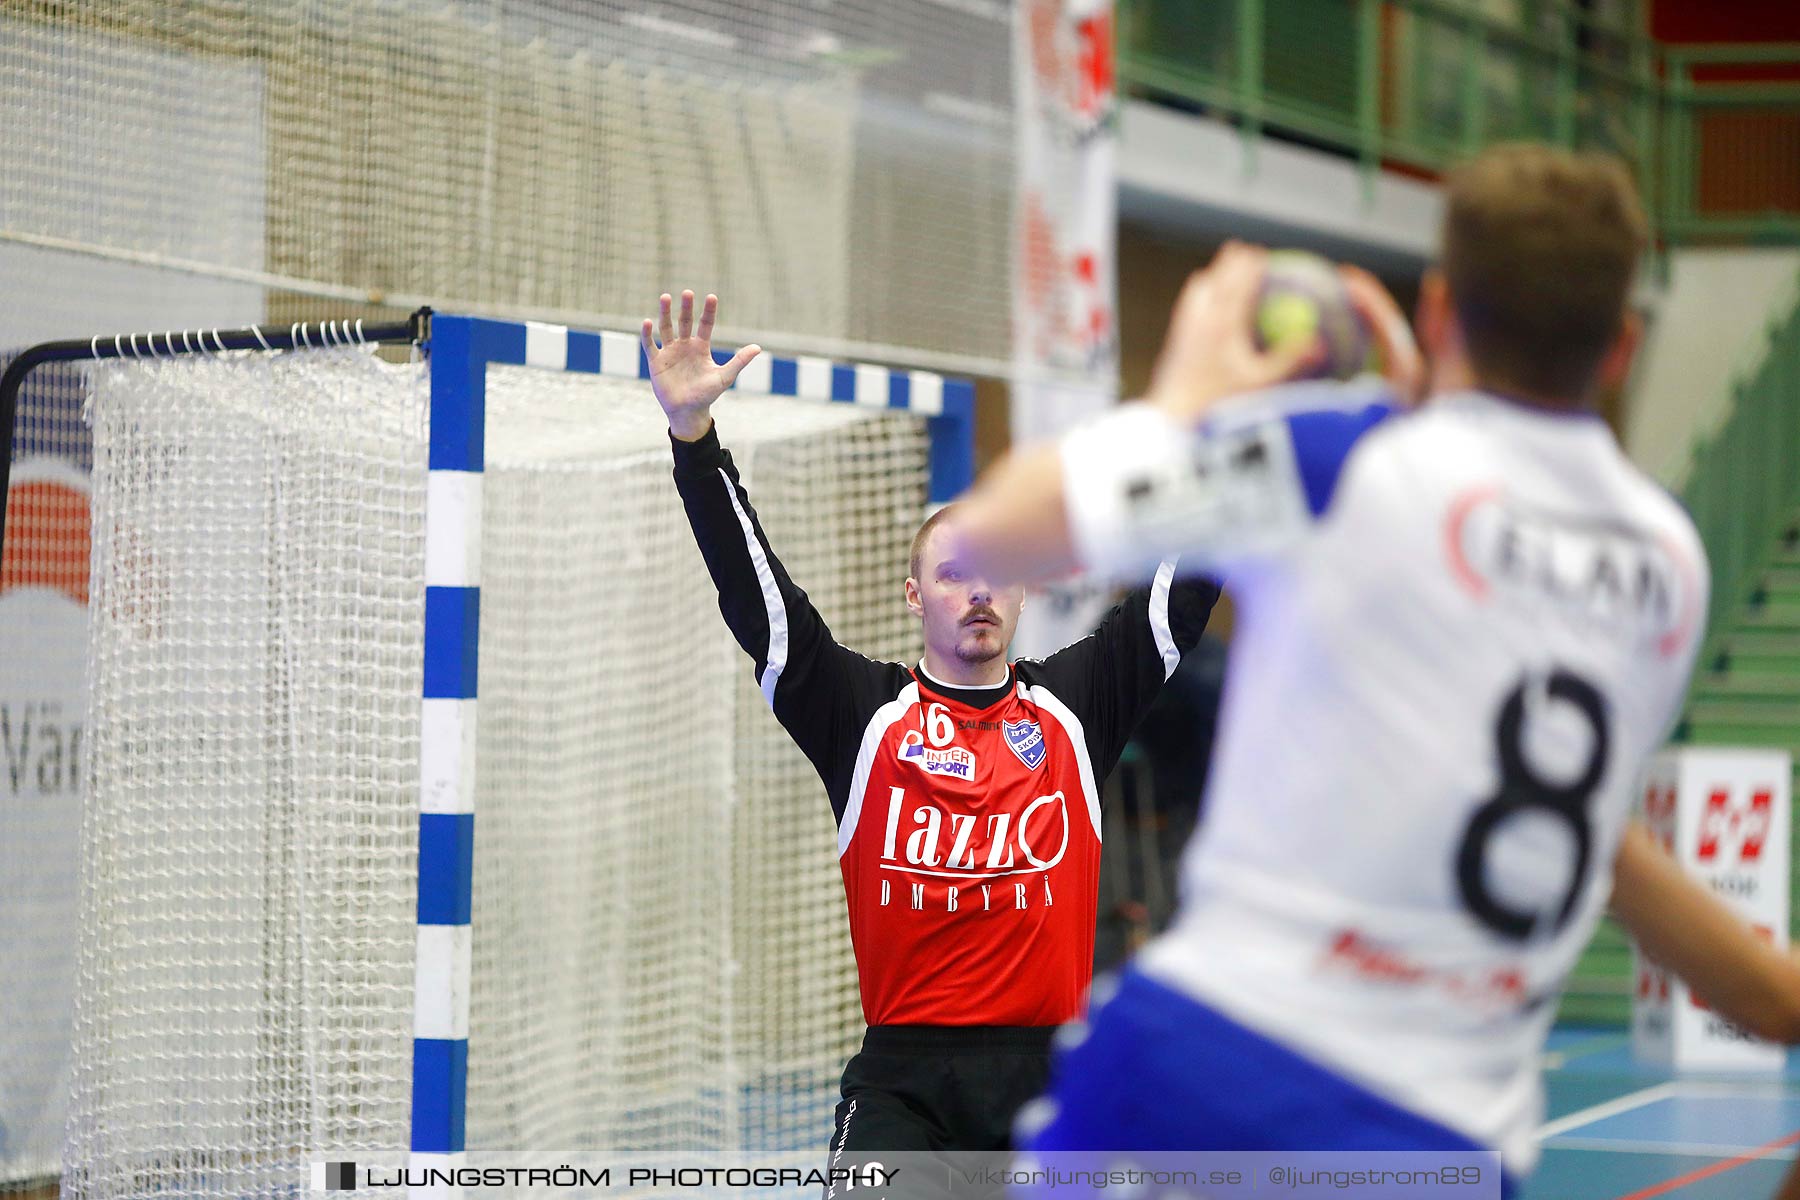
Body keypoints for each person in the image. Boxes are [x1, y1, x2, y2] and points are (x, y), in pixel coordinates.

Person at [948, 144, 1800, 1194]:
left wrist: (1183, 398)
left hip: (1206, 1063)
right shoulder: (1671, 569)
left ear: (1439, 309)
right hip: (1441, 1146)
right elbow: (1570, 825)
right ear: (1621, 346)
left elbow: (985, 540)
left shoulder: (1348, 458)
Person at [640, 290, 1222, 1173]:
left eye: (994, 572)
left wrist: (1224, 450)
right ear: (917, 596)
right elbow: (760, 604)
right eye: (955, 574)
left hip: (1052, 1080)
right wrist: (694, 441)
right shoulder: (861, 718)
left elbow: (1184, 588)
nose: (979, 591)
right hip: (905, 1087)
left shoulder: (1078, 704)